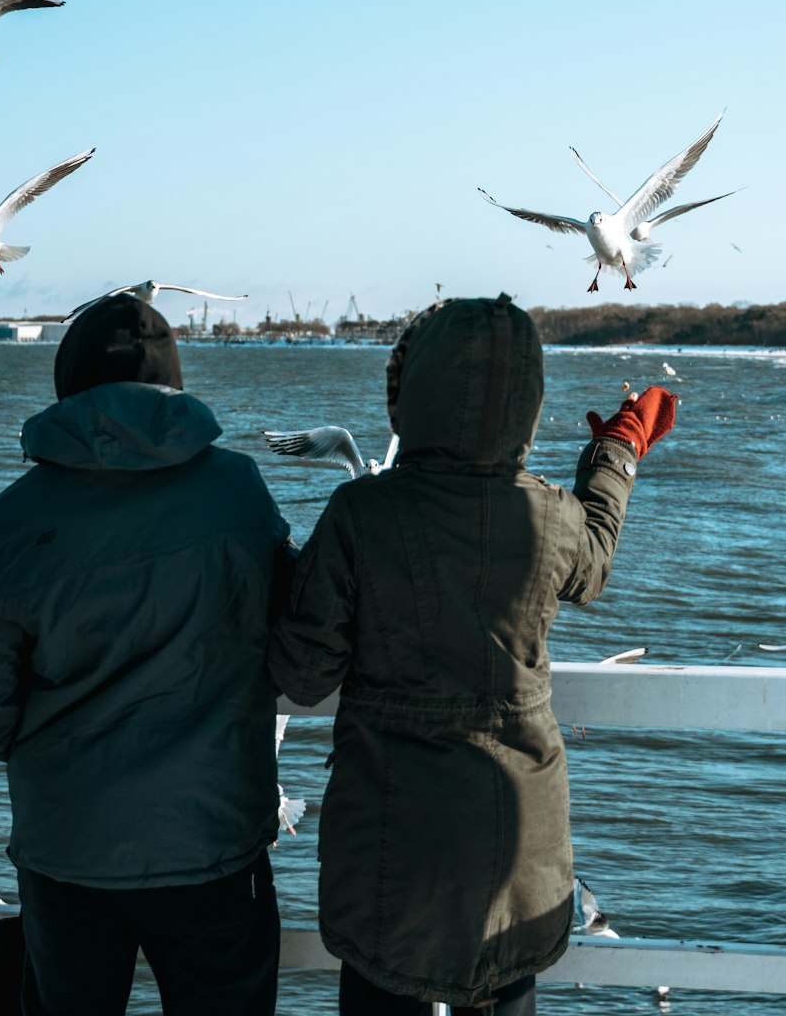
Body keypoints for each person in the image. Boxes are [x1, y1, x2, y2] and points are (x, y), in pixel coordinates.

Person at [269, 294, 676, 1016]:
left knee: (380, 984)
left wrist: (277, 573)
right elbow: (595, 559)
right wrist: (618, 449)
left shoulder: (363, 515)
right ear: (526, 400)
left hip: (391, 846)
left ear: (413, 390)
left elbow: (302, 675)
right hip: (518, 843)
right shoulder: (548, 512)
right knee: (506, 983)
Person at [0, 293, 294, 1016]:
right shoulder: (237, 491)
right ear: (175, 384)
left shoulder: (9, 521)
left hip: (67, 843)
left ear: (65, 382)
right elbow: (293, 630)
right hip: (214, 838)